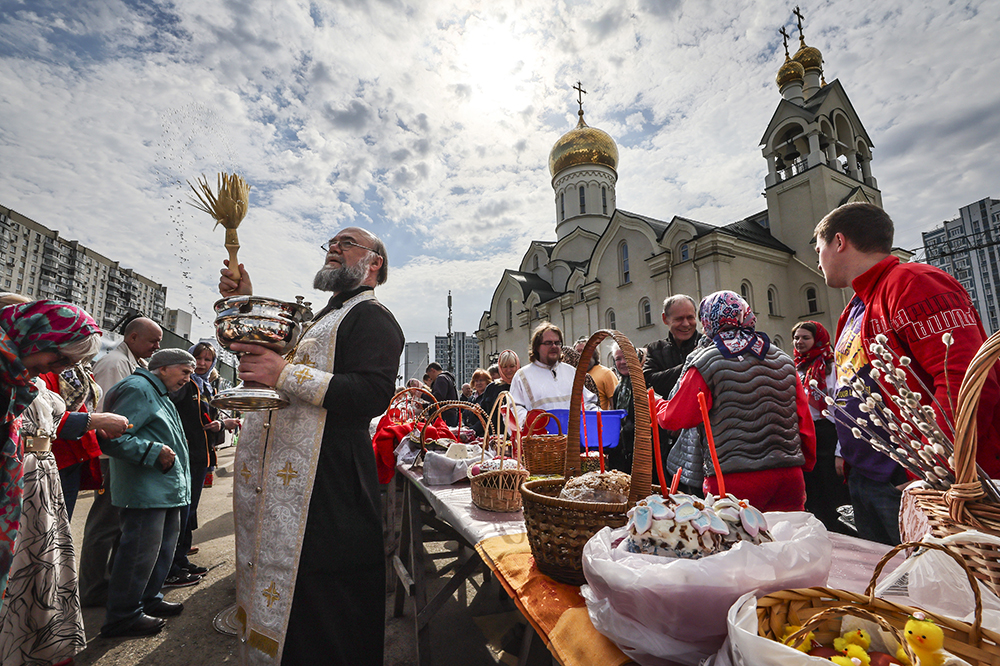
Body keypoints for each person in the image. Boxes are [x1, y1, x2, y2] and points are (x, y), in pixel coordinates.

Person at [219, 226, 404, 665]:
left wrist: (282, 374)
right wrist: (247, 302)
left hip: (331, 478)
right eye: (331, 244)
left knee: (326, 598)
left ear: (373, 262)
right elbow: (282, 353)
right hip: (298, 477)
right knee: (299, 595)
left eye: (346, 243)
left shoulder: (373, 318)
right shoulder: (324, 318)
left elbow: (370, 395)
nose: (333, 249)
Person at [815, 202, 1000, 544]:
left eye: (819, 249)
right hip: (870, 477)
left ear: (839, 242)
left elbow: (966, 379)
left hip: (918, 482)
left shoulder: (912, 282)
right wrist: (848, 454)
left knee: (936, 590)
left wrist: (931, 471)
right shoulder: (854, 308)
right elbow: (852, 384)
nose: (818, 259)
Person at [0, 299, 107, 643]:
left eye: (69, 363)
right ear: (35, 337)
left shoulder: (16, 376)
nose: (59, 369)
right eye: (59, 359)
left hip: (30, 490)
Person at [655, 291, 816, 511]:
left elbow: (675, 418)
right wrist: (804, 463)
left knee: (735, 542)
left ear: (707, 320)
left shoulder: (707, 361)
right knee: (789, 539)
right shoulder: (783, 359)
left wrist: (656, 404)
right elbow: (803, 421)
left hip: (732, 479)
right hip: (788, 475)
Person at [99, 348, 195, 639]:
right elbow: (111, 438)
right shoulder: (138, 389)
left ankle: (148, 600)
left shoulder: (157, 392)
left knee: (161, 552)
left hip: (164, 488)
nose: (188, 380)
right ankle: (122, 616)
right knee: (138, 554)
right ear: (163, 368)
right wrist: (153, 451)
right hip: (146, 489)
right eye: (185, 372)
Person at [79, 316, 162, 608]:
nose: (157, 346)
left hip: (122, 454)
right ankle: (92, 588)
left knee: (117, 523)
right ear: (133, 337)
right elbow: (106, 415)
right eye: (153, 341)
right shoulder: (115, 364)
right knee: (104, 525)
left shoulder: (131, 363)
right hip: (111, 455)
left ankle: (107, 582)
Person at [165, 342, 239, 588]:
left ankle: (181, 558)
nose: (203, 364)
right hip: (184, 453)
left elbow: (208, 417)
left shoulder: (206, 385)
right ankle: (171, 567)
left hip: (201, 454)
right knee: (181, 511)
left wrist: (220, 424)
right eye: (199, 358)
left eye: (208, 359)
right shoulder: (184, 384)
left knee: (190, 510)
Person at [792, 321, 851, 534]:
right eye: (796, 338)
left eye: (805, 338)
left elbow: (842, 410)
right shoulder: (796, 368)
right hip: (805, 435)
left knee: (832, 493)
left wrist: (840, 451)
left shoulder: (832, 368)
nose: (799, 342)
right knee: (812, 492)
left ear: (818, 340)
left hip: (829, 433)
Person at [644, 294, 703, 462]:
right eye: (679, 319)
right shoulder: (655, 349)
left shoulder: (705, 345)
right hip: (664, 440)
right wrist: (691, 365)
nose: (686, 324)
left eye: (690, 317)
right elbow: (648, 382)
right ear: (665, 319)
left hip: (699, 439)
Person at [509, 322, 597, 427]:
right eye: (548, 343)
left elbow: (587, 403)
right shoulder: (522, 376)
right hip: (541, 439)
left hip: (574, 438)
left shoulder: (571, 372)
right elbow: (514, 409)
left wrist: (599, 414)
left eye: (557, 343)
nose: (554, 346)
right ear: (537, 347)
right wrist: (529, 422)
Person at [608, 344, 635, 473]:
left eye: (626, 357)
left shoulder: (644, 382)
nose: (623, 362)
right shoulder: (619, 388)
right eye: (618, 359)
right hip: (624, 451)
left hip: (643, 451)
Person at [573, 338, 619, 409]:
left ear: (593, 353)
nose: (580, 354)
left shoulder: (606, 373)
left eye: (583, 351)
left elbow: (615, 403)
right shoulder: (573, 375)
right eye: (577, 351)